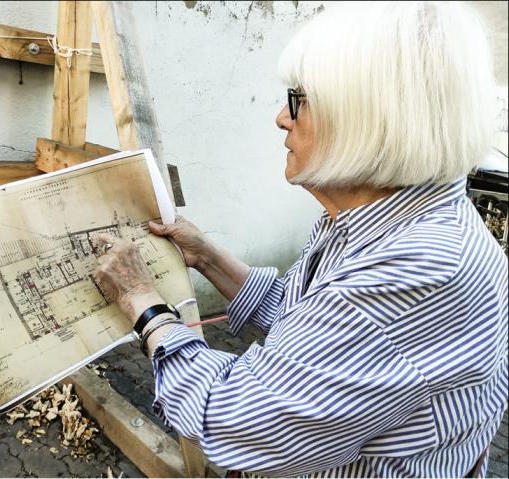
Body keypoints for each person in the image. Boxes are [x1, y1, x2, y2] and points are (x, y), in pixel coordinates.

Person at [93, 2, 508, 477]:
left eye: (299, 99)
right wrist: (207, 258)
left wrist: (142, 302)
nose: (281, 118)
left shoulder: (418, 267)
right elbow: (305, 314)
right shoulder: (375, 220)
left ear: (369, 119)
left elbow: (232, 420)